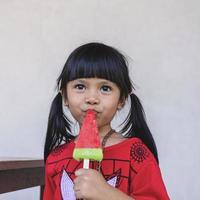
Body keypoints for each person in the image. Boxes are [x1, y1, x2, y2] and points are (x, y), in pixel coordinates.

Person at [43, 42, 170, 200]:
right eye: (80, 86)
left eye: (105, 88)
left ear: (121, 100)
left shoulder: (136, 154)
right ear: (65, 96)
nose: (92, 98)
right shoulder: (55, 158)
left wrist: (107, 194)